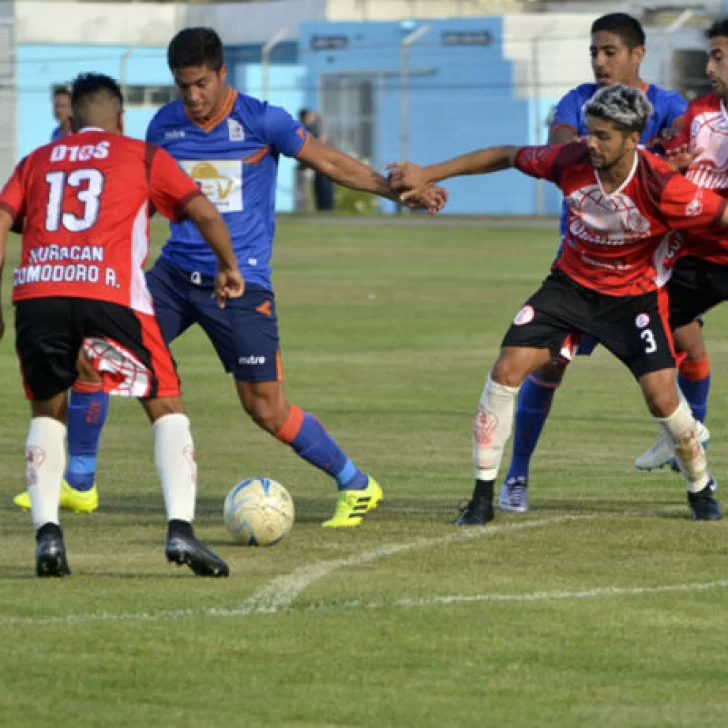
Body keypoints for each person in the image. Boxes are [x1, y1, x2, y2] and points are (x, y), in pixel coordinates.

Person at [13, 28, 447, 527]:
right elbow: (144, 197)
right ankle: (80, 484)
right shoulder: (164, 126)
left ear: (222, 74)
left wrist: (397, 194)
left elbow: (328, 162)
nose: (193, 97)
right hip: (174, 277)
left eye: (201, 83)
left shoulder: (262, 120)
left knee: (265, 408)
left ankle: (356, 483)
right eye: (182, 86)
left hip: (240, 282)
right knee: (92, 353)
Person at [389, 83, 727, 525]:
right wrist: (430, 172)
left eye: (603, 135)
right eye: (589, 131)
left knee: (662, 398)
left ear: (631, 139)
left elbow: (719, 215)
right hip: (569, 289)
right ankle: (481, 498)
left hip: (633, 299)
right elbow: (507, 154)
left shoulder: (663, 186)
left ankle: (699, 489)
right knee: (506, 369)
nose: (591, 142)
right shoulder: (570, 161)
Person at [0, 73, 245, 577]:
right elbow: (205, 213)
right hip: (110, 293)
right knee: (166, 404)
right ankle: (181, 530)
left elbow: (3, 220)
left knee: (48, 412)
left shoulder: (35, 161)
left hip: (39, 293)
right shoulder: (141, 155)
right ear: (120, 118)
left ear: (71, 118)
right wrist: (229, 266)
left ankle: (48, 538)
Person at [496, 12, 691, 513]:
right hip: (581, 265)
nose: (600, 62)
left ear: (637, 54)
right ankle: (516, 475)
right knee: (550, 366)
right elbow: (561, 144)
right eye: (594, 52)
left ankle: (687, 447)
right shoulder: (578, 100)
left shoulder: (668, 105)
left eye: (610, 52)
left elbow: (687, 159)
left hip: (650, 265)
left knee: (686, 339)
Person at [632, 18, 728, 471]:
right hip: (703, 254)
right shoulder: (702, 113)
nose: (709, 66)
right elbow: (673, 172)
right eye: (709, 55)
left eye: (719, 56)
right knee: (648, 325)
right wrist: (675, 167)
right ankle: (684, 433)